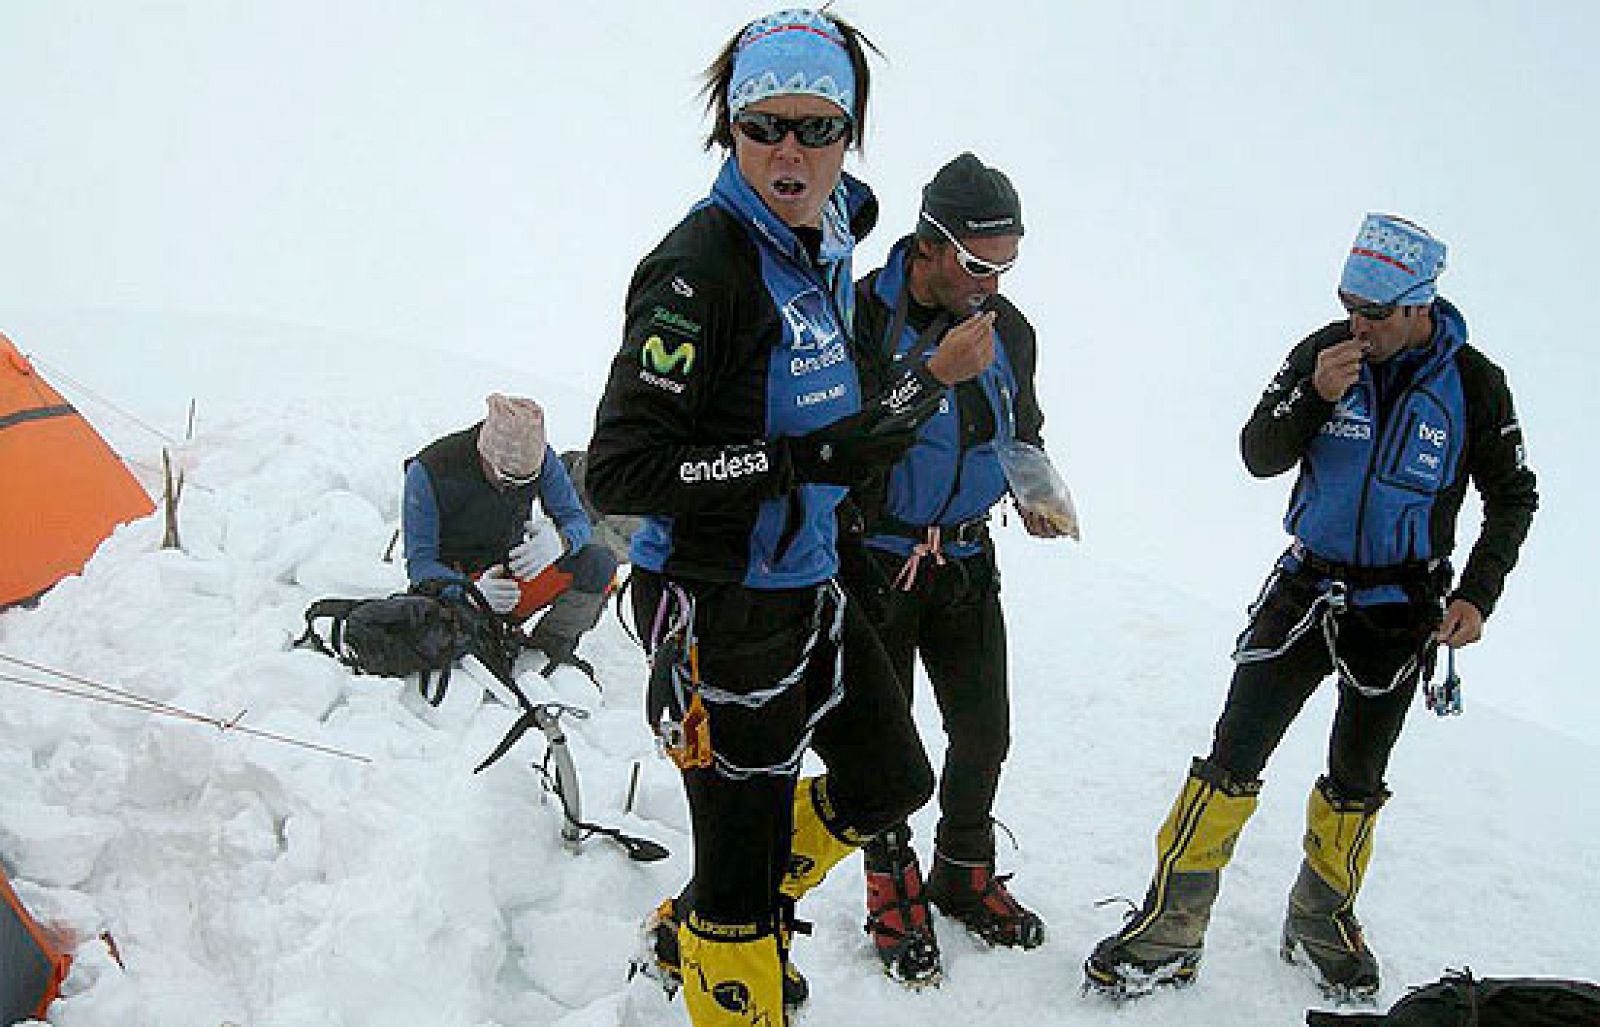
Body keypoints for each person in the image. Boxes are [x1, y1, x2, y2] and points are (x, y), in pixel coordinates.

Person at [585, 10, 994, 1025]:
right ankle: (726, 945)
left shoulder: (830, 233)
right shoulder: (699, 271)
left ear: (850, 134)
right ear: (729, 127)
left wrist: (921, 389)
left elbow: (842, 418)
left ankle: (705, 927)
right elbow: (622, 470)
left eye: (818, 128)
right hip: (718, 602)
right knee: (740, 879)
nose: (789, 153)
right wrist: (792, 464)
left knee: (890, 780)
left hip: (807, 578)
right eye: (764, 126)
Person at [1084, 214, 1538, 1001]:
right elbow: (1258, 452)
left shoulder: (1474, 383)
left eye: (1375, 312)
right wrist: (1316, 396)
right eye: (1348, 305)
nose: (1357, 324)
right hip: (1304, 587)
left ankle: (1321, 916)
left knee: (1358, 776)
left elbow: (1514, 495)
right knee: (1233, 754)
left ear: (1420, 304)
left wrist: (1477, 593)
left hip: (1402, 604)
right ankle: (1171, 924)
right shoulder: (1322, 355)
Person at [841, 153, 1063, 985]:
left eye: (1006, 265)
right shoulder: (862, 312)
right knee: (885, 741)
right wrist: (932, 376)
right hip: (877, 556)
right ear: (929, 243)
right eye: (977, 263)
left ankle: (963, 872)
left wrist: (1036, 490)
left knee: (984, 730)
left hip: (966, 556)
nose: (990, 285)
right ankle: (889, 881)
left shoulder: (1011, 330)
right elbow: (848, 435)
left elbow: (1022, 428)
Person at [402, 394, 618, 673]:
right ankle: (483, 640)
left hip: (514, 579)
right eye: (508, 479)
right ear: (485, 456)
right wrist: (469, 592)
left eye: (526, 481)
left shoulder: (542, 458)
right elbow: (420, 564)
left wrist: (561, 542)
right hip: (456, 592)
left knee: (598, 563)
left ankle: (546, 650)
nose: (515, 488)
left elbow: (576, 520)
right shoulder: (430, 471)